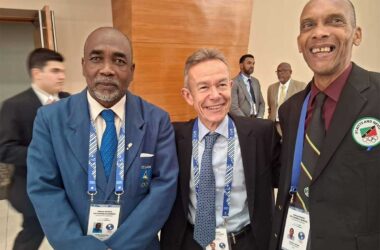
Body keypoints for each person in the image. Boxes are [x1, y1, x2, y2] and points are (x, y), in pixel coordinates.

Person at [26, 27, 178, 250]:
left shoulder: (157, 120)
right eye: (96, 58)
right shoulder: (50, 120)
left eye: (119, 61)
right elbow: (44, 188)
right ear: (83, 65)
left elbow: (163, 190)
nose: (107, 70)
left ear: (132, 70)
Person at [270, 0, 380, 249]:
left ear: (357, 35)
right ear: (300, 42)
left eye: (335, 20)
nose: (319, 32)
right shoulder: (290, 109)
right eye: (308, 25)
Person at [161, 48, 281, 250]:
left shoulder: (262, 134)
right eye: (204, 87)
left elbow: (286, 181)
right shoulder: (173, 137)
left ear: (231, 87)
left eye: (221, 85)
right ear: (188, 96)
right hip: (191, 242)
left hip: (245, 241)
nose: (215, 95)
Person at [0, 48, 68, 250]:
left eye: (63, 71)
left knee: (73, 232)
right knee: (33, 232)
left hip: (70, 185)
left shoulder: (69, 101)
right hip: (31, 186)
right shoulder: (15, 105)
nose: (62, 76)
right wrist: (44, 157)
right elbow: (4, 149)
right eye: (55, 71)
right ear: (37, 73)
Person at [267, 62, 305, 135]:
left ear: (290, 72)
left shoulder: (301, 87)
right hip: (274, 126)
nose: (280, 73)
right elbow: (270, 108)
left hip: (292, 126)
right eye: (278, 71)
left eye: (283, 71)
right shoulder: (271, 88)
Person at [230, 54, 265, 118]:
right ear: (241, 65)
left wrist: (259, 118)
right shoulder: (234, 82)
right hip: (242, 121)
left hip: (256, 120)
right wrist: (246, 121)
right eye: (249, 63)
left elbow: (261, 103)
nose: (252, 66)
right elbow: (233, 107)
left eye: (253, 64)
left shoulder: (256, 82)